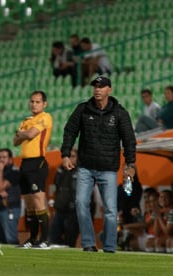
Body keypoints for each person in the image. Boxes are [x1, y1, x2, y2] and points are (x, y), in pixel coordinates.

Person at [61, 76, 136, 253]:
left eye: (101, 86)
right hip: (85, 166)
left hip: (108, 168)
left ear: (109, 89)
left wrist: (130, 163)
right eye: (95, 86)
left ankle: (109, 247)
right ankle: (88, 243)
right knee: (80, 203)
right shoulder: (83, 109)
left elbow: (129, 140)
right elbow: (70, 131)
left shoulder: (120, 113)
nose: (97, 89)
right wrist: (65, 154)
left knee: (110, 209)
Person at [13, 91, 53, 249]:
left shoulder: (45, 117)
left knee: (38, 201)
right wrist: (23, 134)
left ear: (44, 104)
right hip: (25, 164)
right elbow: (15, 141)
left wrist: (22, 133)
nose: (34, 104)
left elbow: (30, 134)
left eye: (37, 102)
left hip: (38, 163)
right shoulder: (26, 120)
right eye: (32, 101)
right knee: (29, 203)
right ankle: (33, 238)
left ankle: (45, 239)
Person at [49, 148, 79, 248]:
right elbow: (57, 188)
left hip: (73, 211)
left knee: (70, 240)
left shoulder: (81, 172)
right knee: (53, 237)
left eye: (73, 156)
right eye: (68, 156)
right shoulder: (60, 170)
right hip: (60, 209)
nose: (70, 159)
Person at [116, 165, 143, 249]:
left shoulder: (137, 186)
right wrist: (118, 213)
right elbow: (117, 203)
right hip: (120, 218)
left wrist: (122, 211)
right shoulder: (120, 187)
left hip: (132, 218)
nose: (126, 172)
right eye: (124, 170)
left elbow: (134, 203)